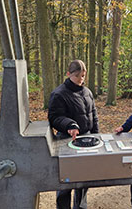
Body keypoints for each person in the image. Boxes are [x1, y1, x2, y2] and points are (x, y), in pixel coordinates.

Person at [48, 60, 98, 209]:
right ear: (68, 74)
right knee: (66, 180)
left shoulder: (88, 92)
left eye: (83, 76)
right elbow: (55, 118)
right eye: (78, 76)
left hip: (87, 140)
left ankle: (80, 206)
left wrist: (97, 135)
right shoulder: (58, 94)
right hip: (67, 141)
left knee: (84, 178)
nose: (81, 79)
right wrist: (69, 125)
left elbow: (93, 114)